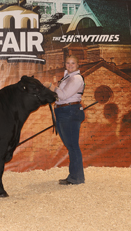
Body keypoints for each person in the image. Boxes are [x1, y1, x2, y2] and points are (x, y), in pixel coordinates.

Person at [45, 55, 85, 185]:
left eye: (73, 63)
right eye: (68, 63)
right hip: (64, 111)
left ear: (78, 64)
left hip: (69, 112)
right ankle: (74, 176)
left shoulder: (76, 78)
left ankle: (77, 178)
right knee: (71, 146)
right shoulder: (67, 77)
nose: (70, 65)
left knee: (73, 146)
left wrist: (51, 86)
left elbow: (62, 95)